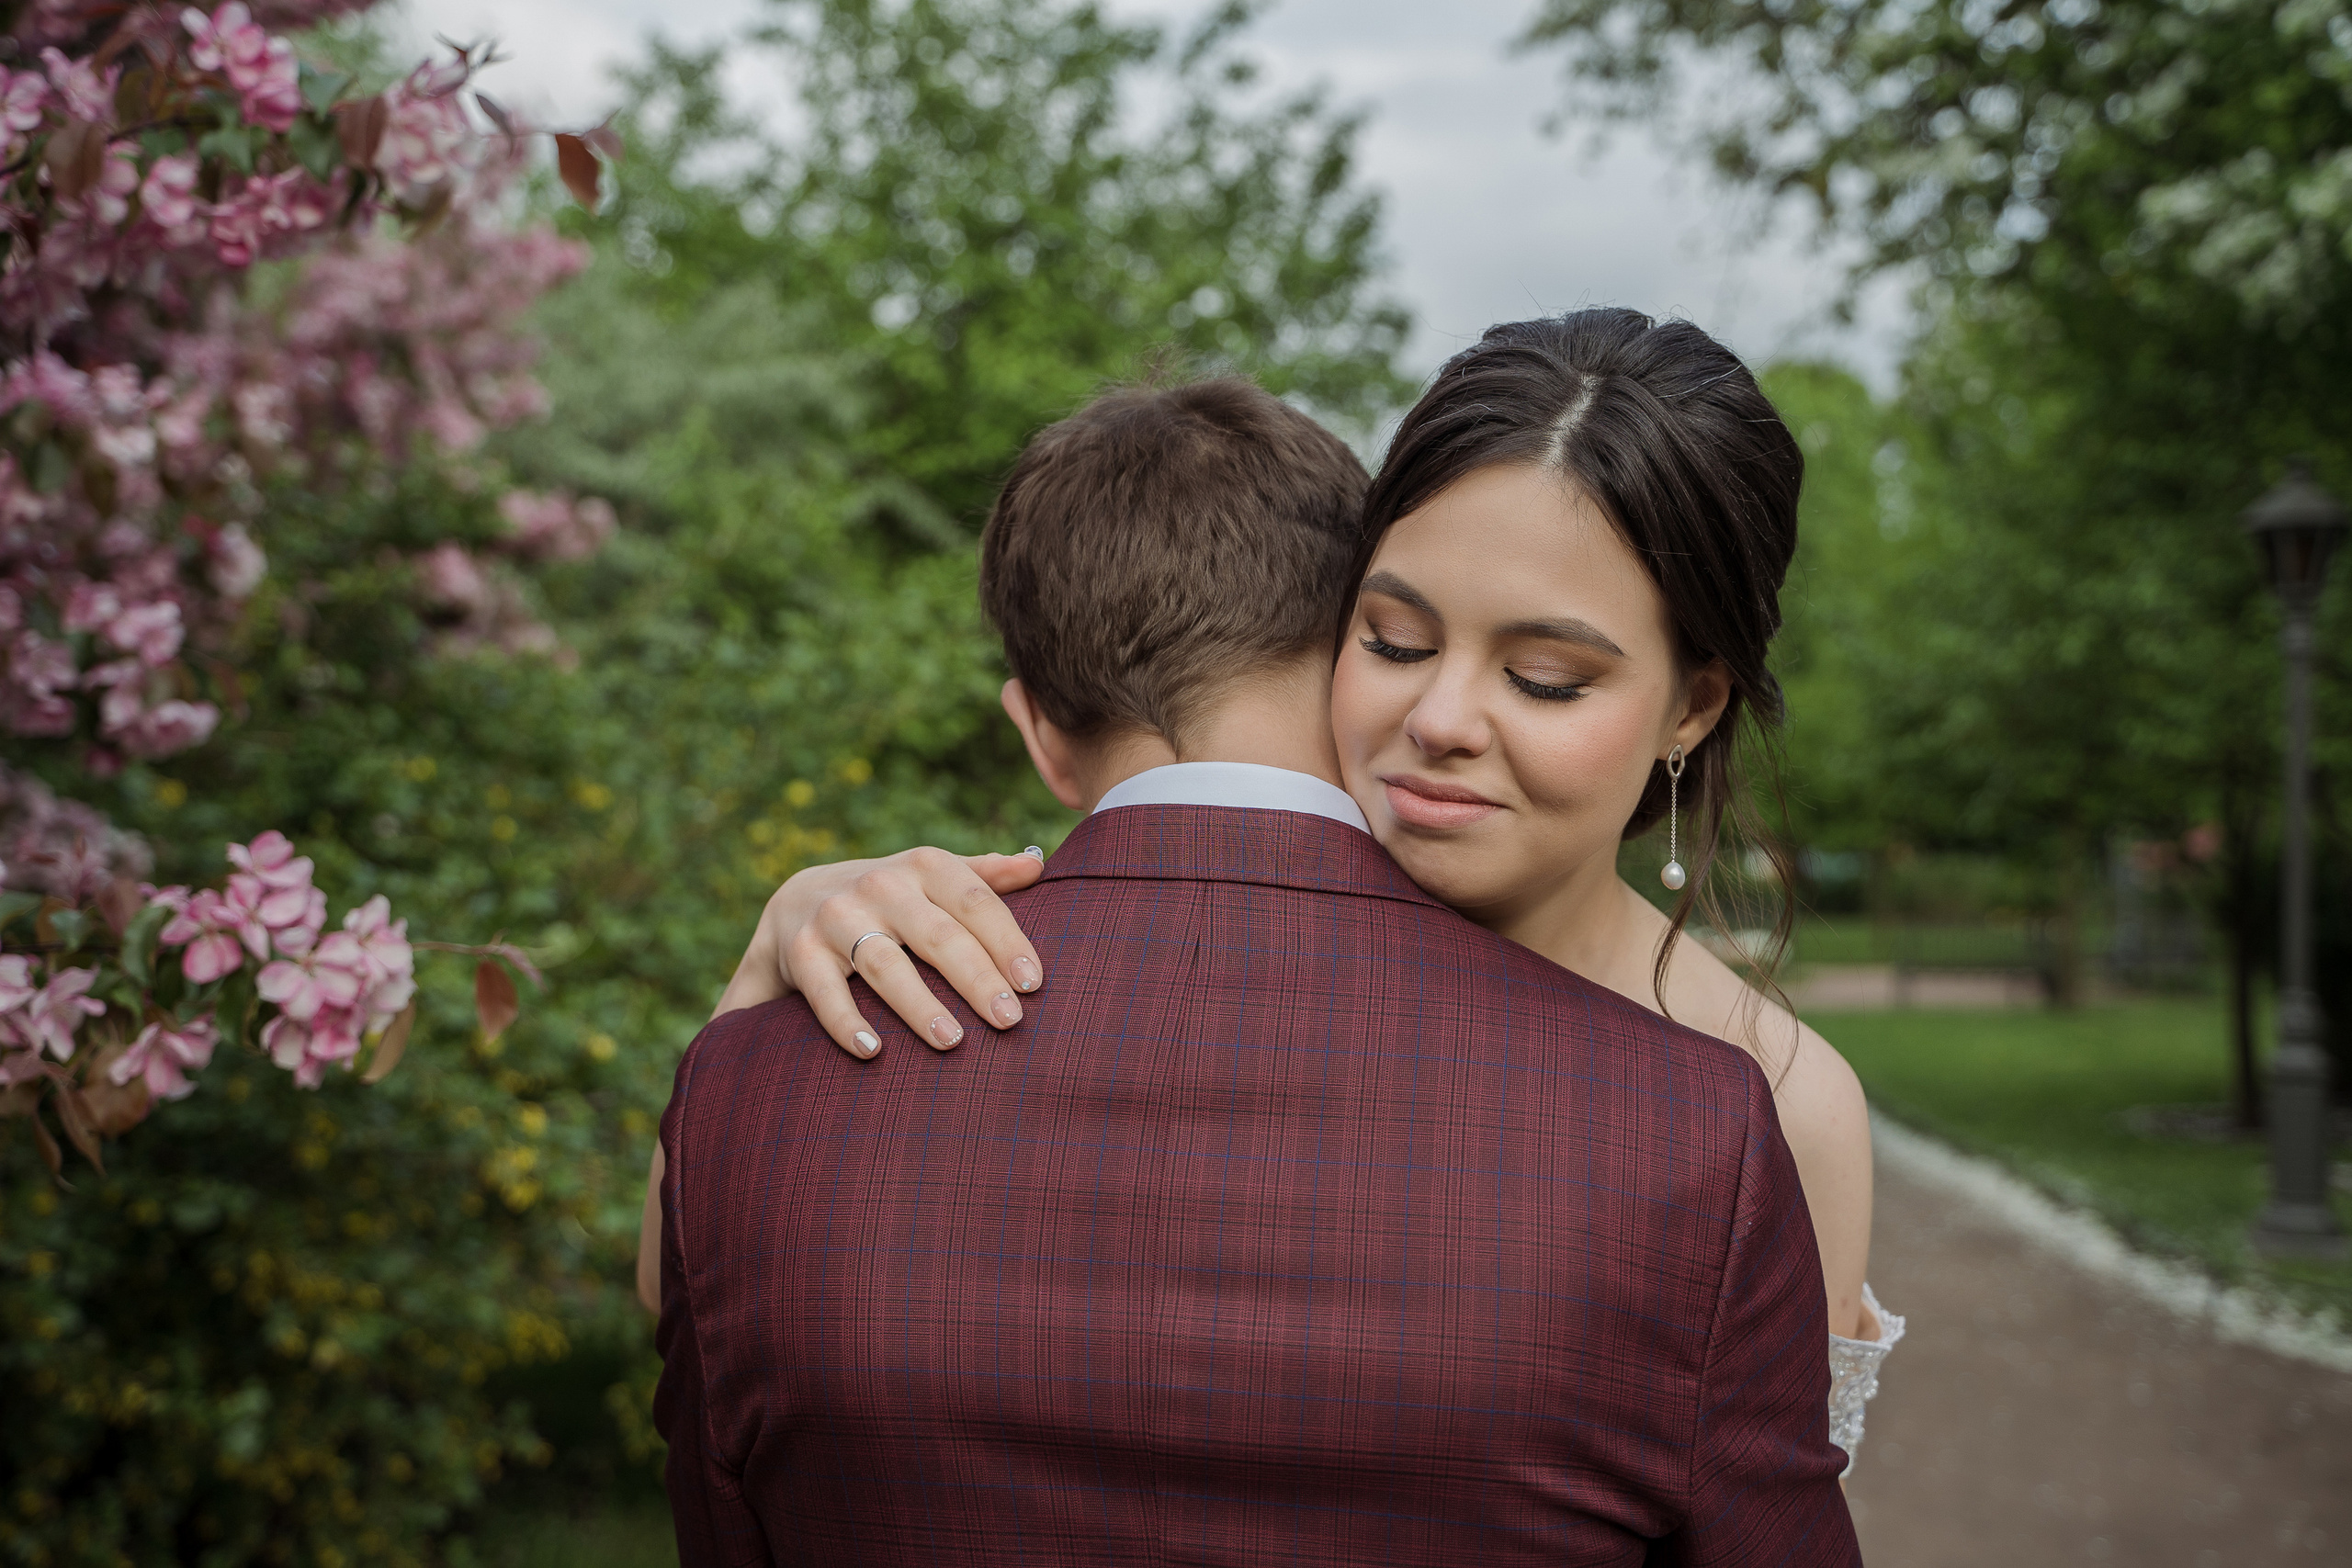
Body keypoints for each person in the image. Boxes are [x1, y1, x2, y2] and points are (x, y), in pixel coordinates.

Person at [658, 310, 1905, 1475]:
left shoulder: (1781, 1108)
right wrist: (782, 942)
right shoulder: (1154, 939)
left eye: (1542, 676)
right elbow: (693, 1308)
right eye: (1395, 641)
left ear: (1691, 704)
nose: (1439, 720)